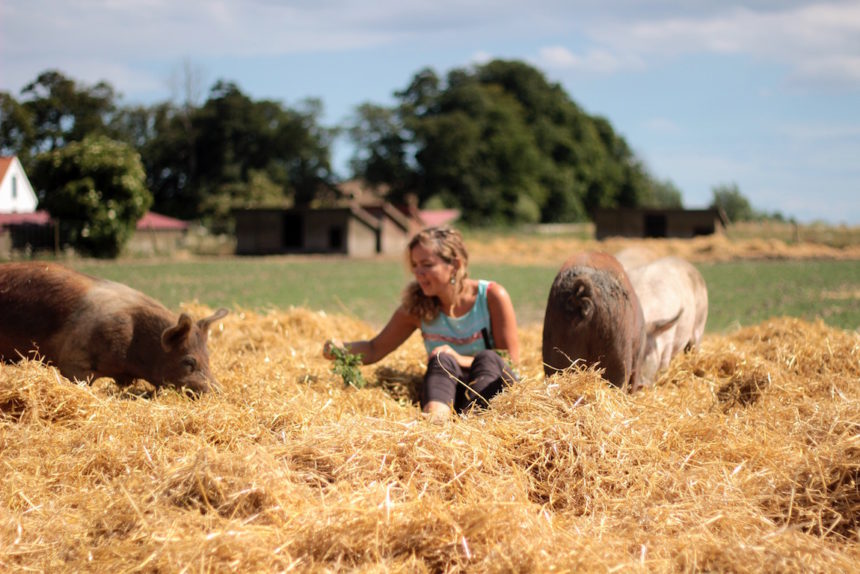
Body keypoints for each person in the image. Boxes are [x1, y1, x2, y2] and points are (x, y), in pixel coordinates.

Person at [323, 226, 520, 419]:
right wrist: (340, 349)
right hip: (451, 394)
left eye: (427, 265)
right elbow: (375, 348)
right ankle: (434, 426)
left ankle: (475, 424)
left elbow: (510, 360)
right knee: (441, 360)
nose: (418, 273)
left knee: (487, 357)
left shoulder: (491, 296)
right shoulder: (417, 308)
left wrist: (459, 358)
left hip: (494, 391)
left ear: (455, 265)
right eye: (415, 265)